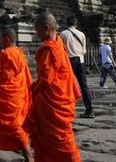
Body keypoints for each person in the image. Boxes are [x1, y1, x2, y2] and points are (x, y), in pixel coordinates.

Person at [23, 11, 82, 162]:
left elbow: (46, 80)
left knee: (59, 140)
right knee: (55, 139)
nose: (36, 34)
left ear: (46, 28)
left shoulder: (48, 49)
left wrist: (32, 90)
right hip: (61, 98)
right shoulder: (59, 43)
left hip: (52, 103)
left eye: (37, 30)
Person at [0, 27, 34, 162]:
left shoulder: (7, 54)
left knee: (12, 125)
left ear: (7, 39)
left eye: (1, 40)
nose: (0, 42)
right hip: (18, 94)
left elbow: (6, 75)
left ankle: (29, 156)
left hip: (10, 96)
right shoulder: (20, 53)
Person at [59, 16, 94, 118]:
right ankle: (89, 110)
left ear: (67, 23)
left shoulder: (63, 34)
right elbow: (84, 51)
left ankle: (66, 109)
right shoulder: (82, 34)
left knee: (67, 85)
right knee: (84, 86)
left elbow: (61, 49)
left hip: (69, 60)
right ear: (76, 24)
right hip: (81, 60)